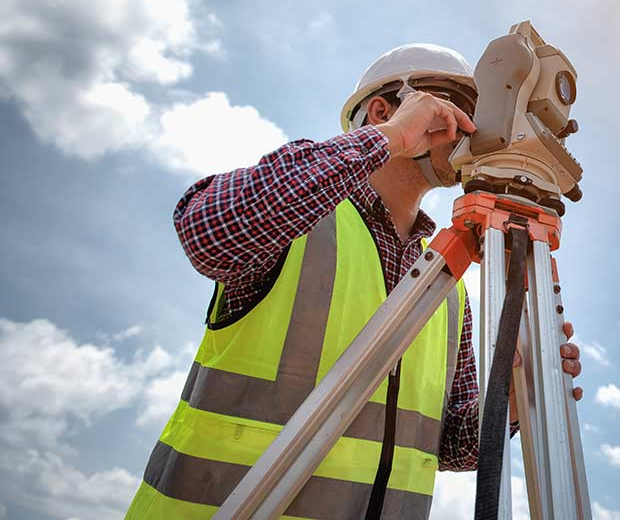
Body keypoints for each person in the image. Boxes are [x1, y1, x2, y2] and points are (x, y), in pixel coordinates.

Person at [125, 44, 583, 519]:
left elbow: (450, 447)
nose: (473, 126)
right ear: (384, 109)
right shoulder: (302, 218)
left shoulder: (447, 283)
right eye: (456, 108)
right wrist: (389, 138)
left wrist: (515, 395)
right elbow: (210, 232)